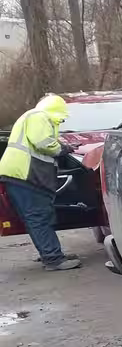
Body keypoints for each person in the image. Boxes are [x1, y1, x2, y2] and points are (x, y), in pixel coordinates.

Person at [0, 94, 81, 271]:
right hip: (25, 174)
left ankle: (49, 253)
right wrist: (62, 149)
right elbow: (43, 142)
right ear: (57, 111)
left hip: (19, 174)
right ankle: (53, 258)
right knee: (38, 216)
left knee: (35, 217)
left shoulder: (32, 116)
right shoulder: (39, 116)